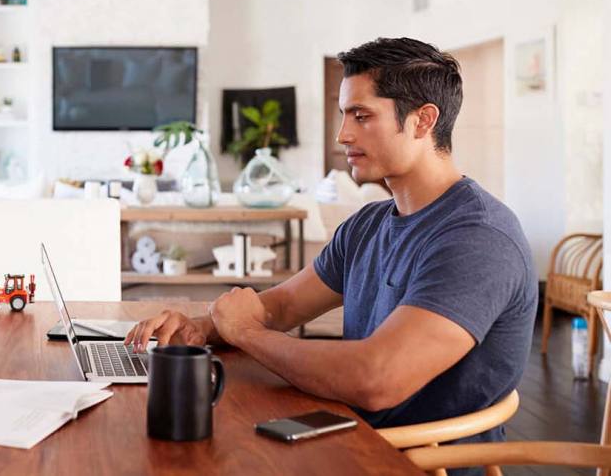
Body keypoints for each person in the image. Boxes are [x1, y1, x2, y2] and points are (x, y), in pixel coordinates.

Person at [126, 37, 537, 448]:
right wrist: (201, 329)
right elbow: (283, 305)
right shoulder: (368, 223)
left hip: (411, 459)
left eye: (361, 116)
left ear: (423, 121)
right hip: (347, 431)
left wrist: (247, 334)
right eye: (344, 115)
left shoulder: (478, 238)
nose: (343, 135)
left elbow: (377, 379)